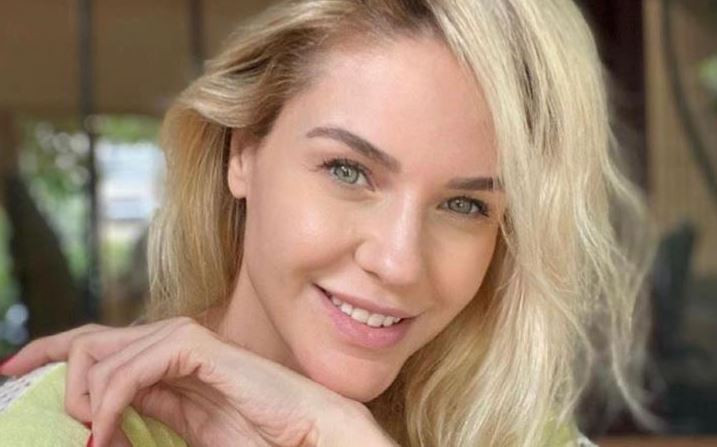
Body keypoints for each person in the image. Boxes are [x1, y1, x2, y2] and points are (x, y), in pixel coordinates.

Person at [0, 0, 657, 445]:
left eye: (464, 205)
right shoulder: (74, 426)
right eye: (348, 170)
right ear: (242, 153)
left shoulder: (512, 432)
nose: (398, 261)